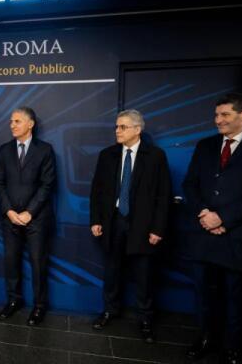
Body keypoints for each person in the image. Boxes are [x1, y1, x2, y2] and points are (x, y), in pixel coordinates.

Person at [183, 93, 242, 364]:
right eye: (216, 115)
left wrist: (223, 218)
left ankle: (232, 345)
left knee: (235, 296)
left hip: (237, 238)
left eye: (225, 114)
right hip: (203, 236)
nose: (218, 120)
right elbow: (190, 184)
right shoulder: (205, 145)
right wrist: (205, 214)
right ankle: (206, 338)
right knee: (204, 293)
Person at [89, 109, 171, 343]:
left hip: (142, 225)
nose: (117, 131)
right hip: (113, 221)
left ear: (137, 129)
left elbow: (163, 195)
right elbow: (97, 191)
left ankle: (145, 319)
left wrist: (158, 229)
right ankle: (109, 310)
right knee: (112, 271)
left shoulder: (155, 156)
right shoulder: (107, 155)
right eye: (116, 126)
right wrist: (96, 220)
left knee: (144, 275)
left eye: (122, 127)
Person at [0, 107, 56, 326]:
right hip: (10, 218)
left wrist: (29, 212)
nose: (12, 125)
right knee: (11, 261)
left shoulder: (45, 150)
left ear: (30, 124)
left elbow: (47, 185)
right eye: (11, 121)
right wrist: (9, 211)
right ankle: (14, 300)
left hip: (36, 219)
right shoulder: (4, 150)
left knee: (38, 263)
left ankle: (39, 306)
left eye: (17, 121)